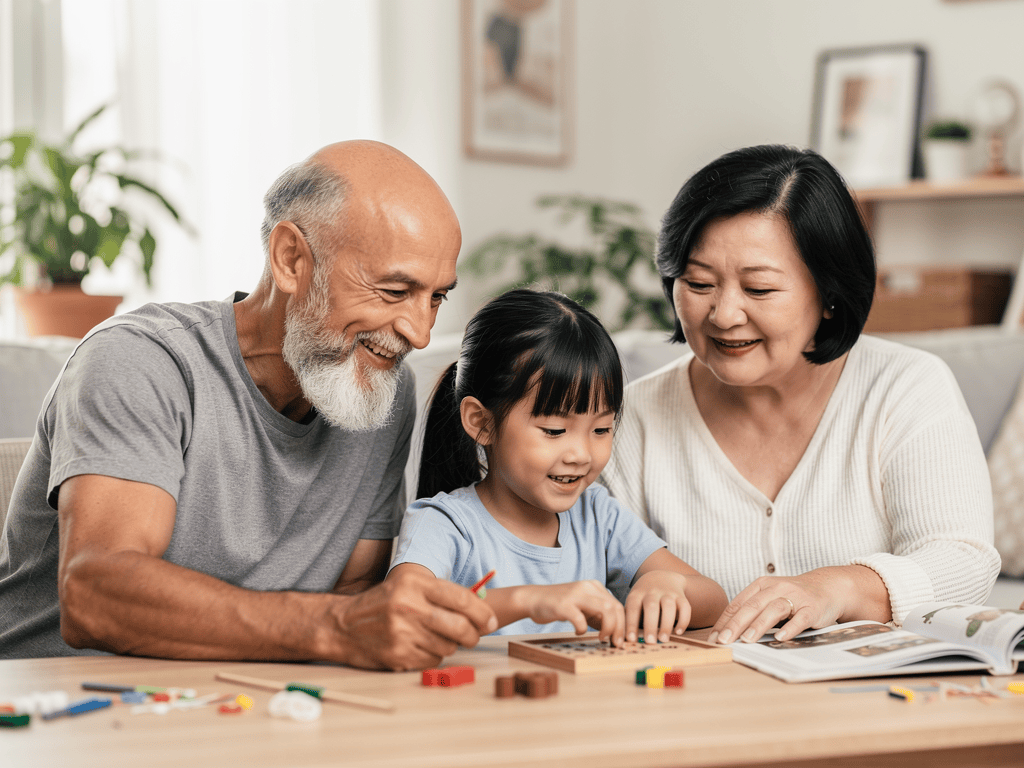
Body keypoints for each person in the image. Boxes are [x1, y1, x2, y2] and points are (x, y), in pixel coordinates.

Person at [0, 140, 497, 667]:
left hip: (246, 709)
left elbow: (355, 597)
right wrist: (335, 628)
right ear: (291, 259)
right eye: (395, 292)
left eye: (437, 297)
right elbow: (97, 596)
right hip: (58, 714)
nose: (419, 334)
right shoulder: (140, 361)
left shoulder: (382, 395)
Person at [600, 145, 1000, 647]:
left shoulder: (905, 387)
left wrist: (835, 587)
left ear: (828, 294)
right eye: (698, 283)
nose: (723, 314)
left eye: (759, 290)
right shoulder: (629, 419)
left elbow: (964, 562)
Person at [388, 289, 727, 645]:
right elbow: (401, 610)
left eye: (601, 429)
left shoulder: (597, 516)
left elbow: (714, 601)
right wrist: (527, 600)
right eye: (554, 430)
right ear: (481, 422)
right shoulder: (445, 523)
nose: (581, 453)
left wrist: (669, 583)